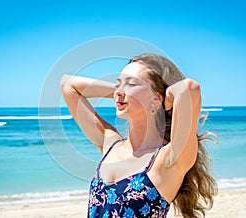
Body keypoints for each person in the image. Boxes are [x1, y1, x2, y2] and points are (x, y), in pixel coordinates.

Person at [60, 53, 217, 218]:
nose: (119, 91)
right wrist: (122, 92)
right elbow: (67, 84)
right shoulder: (110, 144)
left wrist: (166, 99)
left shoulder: (169, 159)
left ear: (157, 99)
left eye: (131, 84)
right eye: (118, 84)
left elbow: (189, 88)